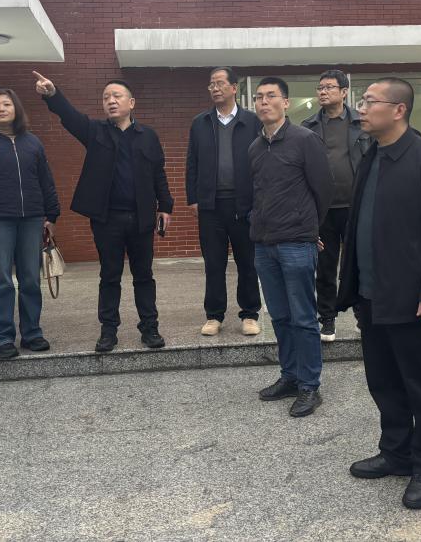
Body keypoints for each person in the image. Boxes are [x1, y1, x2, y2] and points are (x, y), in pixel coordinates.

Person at [337, 77, 421, 510]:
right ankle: (397, 453)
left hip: (414, 299)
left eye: (369, 101)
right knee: (384, 381)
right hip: (372, 295)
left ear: (398, 110)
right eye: (362, 101)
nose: (361, 108)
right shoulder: (371, 156)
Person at [34, 71, 173, 352]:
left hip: (142, 218)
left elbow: (158, 173)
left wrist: (165, 207)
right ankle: (108, 331)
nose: (111, 101)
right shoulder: (95, 131)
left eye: (117, 96)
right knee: (109, 276)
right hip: (107, 219)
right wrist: (52, 94)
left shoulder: (148, 136)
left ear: (131, 103)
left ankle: (150, 328)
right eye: (106, 97)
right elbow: (70, 117)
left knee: (144, 276)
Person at [249, 77, 333, 418]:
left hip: (297, 244)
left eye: (271, 96)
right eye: (259, 97)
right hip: (264, 245)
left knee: (303, 317)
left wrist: (309, 230)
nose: (264, 102)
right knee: (280, 317)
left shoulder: (305, 140)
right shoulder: (255, 148)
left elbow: (323, 190)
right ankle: (290, 376)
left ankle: (310, 385)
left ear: (285, 103)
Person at [0, 88, 60, 360]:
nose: (1, 109)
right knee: (1, 279)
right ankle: (2, 337)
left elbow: (46, 181)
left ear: (16, 108)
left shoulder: (33, 143)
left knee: (31, 278)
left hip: (32, 219)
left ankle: (32, 333)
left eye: (6, 104)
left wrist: (51, 216)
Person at [186, 67, 262, 337]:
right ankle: (214, 315)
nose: (215, 88)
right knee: (213, 263)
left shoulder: (252, 122)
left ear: (234, 88)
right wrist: (193, 198)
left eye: (220, 83)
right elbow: (192, 162)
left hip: (244, 205)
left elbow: (262, 162)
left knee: (248, 262)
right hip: (211, 205)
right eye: (211, 84)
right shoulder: (200, 123)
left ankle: (250, 314)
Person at [301, 69, 369, 341]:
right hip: (322, 208)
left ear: (344, 92)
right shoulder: (308, 126)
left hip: (355, 205)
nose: (323, 92)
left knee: (359, 263)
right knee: (325, 266)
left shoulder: (361, 123)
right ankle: (327, 318)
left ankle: (363, 315)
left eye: (329, 87)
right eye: (320, 87)